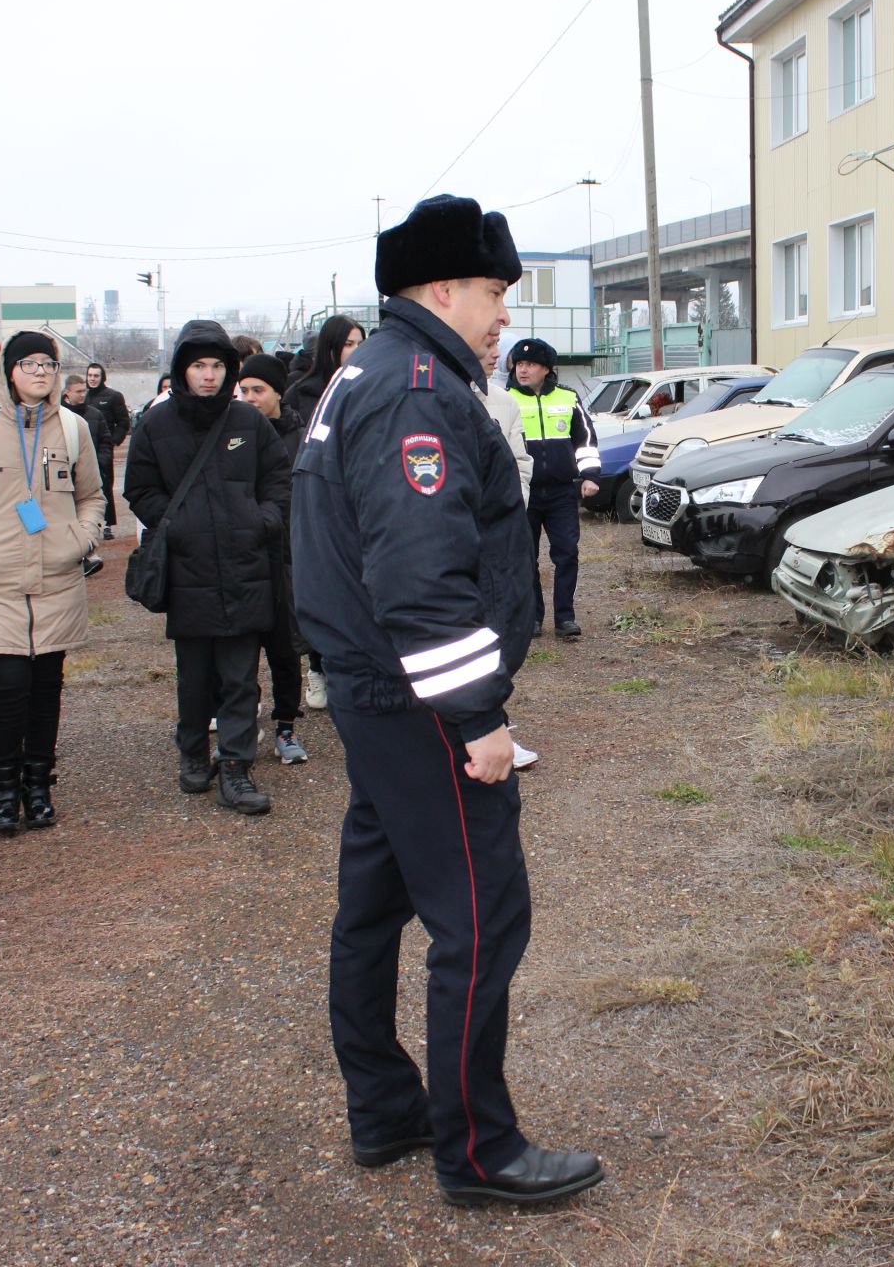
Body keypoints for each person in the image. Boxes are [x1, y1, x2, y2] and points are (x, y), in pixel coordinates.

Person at [293, 194, 604, 1207]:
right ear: (438, 288)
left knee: (373, 908)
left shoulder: (371, 373)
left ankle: (385, 1109)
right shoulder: (417, 386)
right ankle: (478, 1148)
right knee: (480, 915)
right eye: (493, 292)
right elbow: (421, 576)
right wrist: (477, 716)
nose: (504, 314)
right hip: (418, 699)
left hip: (377, 691)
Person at [0, 333, 104, 835]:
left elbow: (93, 495)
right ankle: (3, 789)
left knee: (46, 685)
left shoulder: (74, 428)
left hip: (56, 576)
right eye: (29, 363)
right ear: (9, 370)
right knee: (6, 687)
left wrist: (83, 537)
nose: (40, 372)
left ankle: (39, 786)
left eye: (48, 363)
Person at [124, 320, 289, 816]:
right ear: (181, 369)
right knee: (194, 675)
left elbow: (278, 477)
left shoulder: (248, 421)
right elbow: (140, 488)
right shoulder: (156, 424)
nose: (209, 375)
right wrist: (176, 528)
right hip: (188, 567)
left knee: (240, 674)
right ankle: (193, 750)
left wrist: (264, 521)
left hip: (245, 564)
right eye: (199, 365)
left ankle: (236, 767)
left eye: (217, 365)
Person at [281, 315, 365, 712]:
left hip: (359, 500)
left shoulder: (369, 386)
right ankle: (317, 667)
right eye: (348, 344)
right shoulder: (302, 393)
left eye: (360, 343)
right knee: (320, 586)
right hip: (316, 498)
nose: (355, 351)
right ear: (331, 348)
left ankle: (352, 666)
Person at [235, 352, 306, 764]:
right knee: (240, 651)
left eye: (258, 390)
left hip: (287, 555)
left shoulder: (300, 435)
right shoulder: (232, 433)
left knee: (285, 647)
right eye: (243, 390)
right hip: (244, 555)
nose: (249, 397)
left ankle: (286, 727)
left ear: (278, 392)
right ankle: (242, 720)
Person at [506, 338, 600, 639]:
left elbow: (585, 439)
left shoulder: (567, 398)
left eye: (530, 364)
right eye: (519, 364)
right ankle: (532, 617)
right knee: (524, 557)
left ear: (546, 368)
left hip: (561, 492)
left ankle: (565, 618)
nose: (523, 370)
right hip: (523, 492)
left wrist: (590, 475)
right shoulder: (506, 400)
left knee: (567, 554)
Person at [478, 342, 539, 771]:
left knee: (498, 631)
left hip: (497, 536)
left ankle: (493, 723)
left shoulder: (503, 402)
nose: (496, 353)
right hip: (449, 537)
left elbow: (521, 463)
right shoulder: (429, 396)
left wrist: (508, 512)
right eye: (488, 343)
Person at [84, 362, 131, 540]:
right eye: (90, 376)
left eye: (96, 376)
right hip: (84, 450)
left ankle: (108, 525)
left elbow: (124, 422)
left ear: (102, 377)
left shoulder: (113, 396)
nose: (93, 379)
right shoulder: (84, 397)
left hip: (103, 450)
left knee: (105, 486)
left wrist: (112, 442)